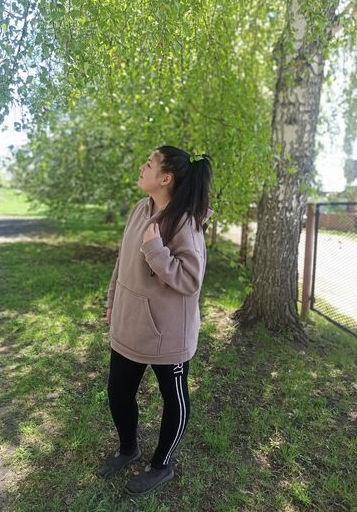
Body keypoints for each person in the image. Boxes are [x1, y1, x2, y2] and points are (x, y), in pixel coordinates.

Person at [100, 145, 214, 495]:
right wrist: (112, 300)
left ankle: (162, 464)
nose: (142, 167)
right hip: (129, 324)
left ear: (165, 178)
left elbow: (190, 280)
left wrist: (155, 249)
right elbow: (123, 260)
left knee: (173, 398)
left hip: (168, 334)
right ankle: (128, 449)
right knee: (118, 392)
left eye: (149, 164)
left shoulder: (185, 223)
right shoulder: (140, 208)